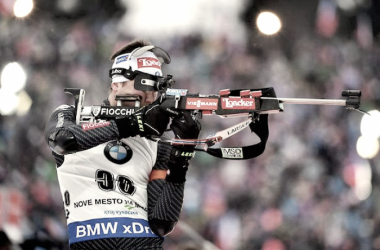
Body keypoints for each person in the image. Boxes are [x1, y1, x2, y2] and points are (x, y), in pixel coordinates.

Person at [44, 39, 201, 250]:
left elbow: (162, 223)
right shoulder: (72, 115)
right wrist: (132, 124)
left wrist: (183, 153)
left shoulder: (156, 141)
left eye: (156, 87)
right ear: (116, 83)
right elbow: (62, 140)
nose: (151, 97)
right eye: (145, 84)